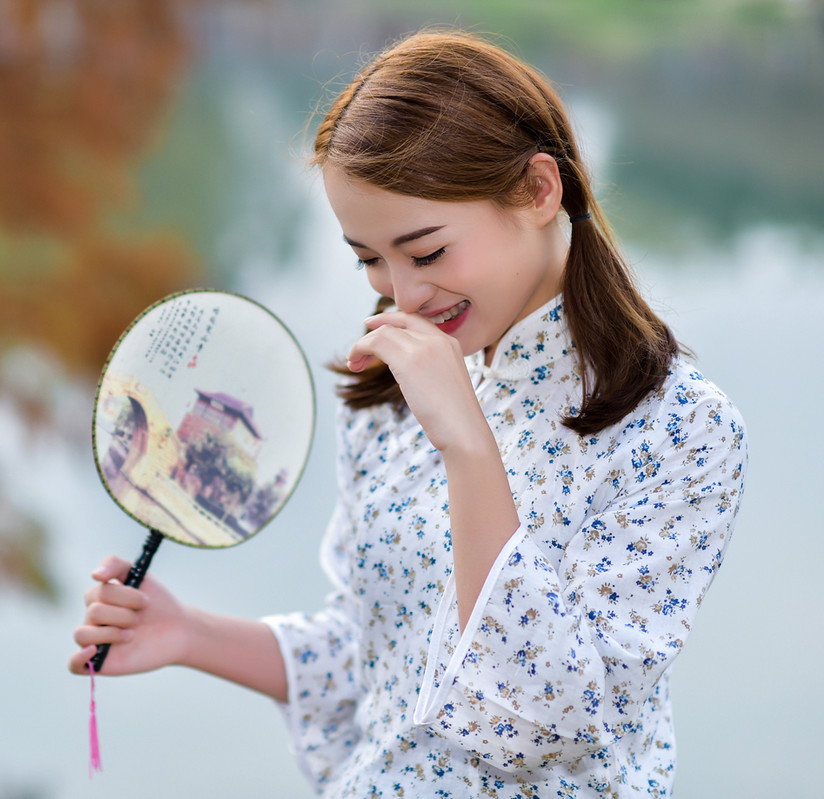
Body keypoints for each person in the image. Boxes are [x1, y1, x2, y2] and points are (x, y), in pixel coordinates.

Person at [69, 29, 747, 797]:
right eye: (369, 258)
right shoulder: (391, 395)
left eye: (426, 252)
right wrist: (189, 632)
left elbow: (541, 723)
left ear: (538, 191)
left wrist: (466, 441)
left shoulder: (681, 430)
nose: (403, 293)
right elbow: (376, 659)